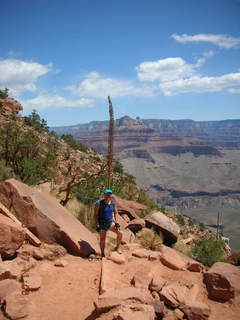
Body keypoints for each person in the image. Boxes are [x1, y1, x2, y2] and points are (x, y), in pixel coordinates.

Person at [95, 189, 123, 257]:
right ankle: (102, 254)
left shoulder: (113, 203)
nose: (108, 196)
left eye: (109, 194)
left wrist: (116, 222)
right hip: (102, 224)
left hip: (110, 222)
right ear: (104, 195)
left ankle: (117, 247)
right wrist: (97, 224)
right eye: (106, 194)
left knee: (120, 233)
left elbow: (115, 212)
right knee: (102, 239)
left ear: (111, 195)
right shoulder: (99, 203)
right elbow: (95, 214)